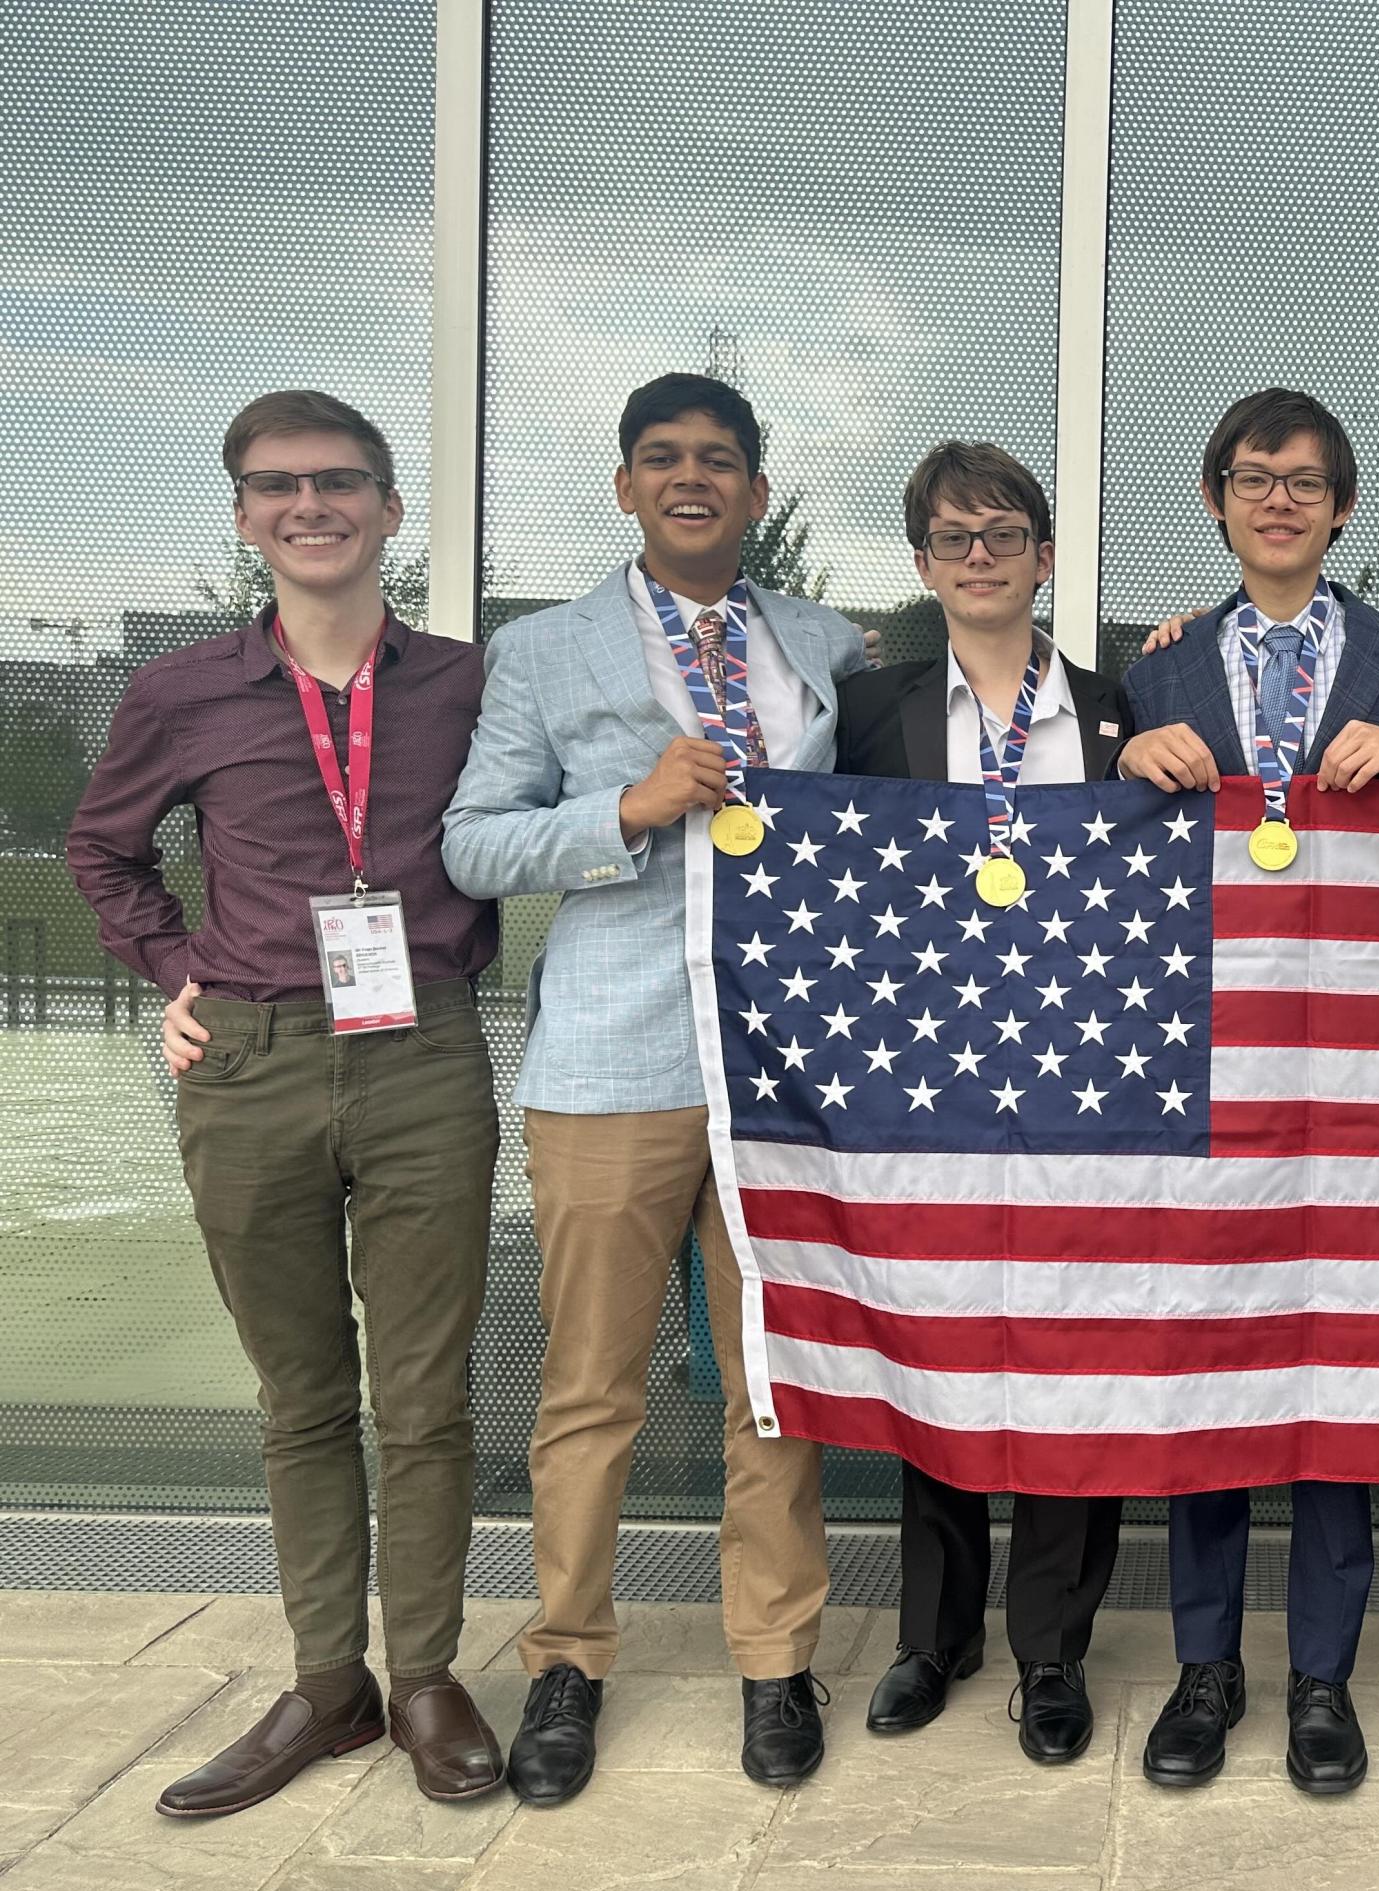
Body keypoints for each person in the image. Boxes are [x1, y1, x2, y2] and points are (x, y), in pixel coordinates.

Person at [67, 390, 505, 1813]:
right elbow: (103, 848)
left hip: (424, 1056)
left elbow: (514, 830)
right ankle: (331, 1682)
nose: (307, 506)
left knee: (426, 1393)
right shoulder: (181, 691)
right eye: (275, 486)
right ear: (245, 514)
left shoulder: (462, 681)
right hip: (248, 1065)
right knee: (302, 1395)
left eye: (336, 482)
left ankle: (428, 1671)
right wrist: (179, 969)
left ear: (388, 508)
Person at [442, 372, 868, 1802]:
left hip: (784, 1076)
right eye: (665, 459)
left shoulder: (827, 645)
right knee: (590, 1389)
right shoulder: (545, 652)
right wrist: (622, 809)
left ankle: (775, 1658)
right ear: (625, 486)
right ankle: (567, 1659)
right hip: (611, 1062)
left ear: (758, 492)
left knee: (776, 1389)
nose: (695, 479)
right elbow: (472, 848)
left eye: (723, 461)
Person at [1119, 386, 1379, 1796]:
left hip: (1360, 1083)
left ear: (1341, 508)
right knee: (1212, 1372)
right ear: (1216, 498)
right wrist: (1127, 761)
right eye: (1255, 477)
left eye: (1308, 481)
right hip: (1205, 1078)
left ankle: (1324, 1674)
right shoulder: (1150, 669)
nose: (1280, 499)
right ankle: (1209, 1667)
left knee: (1336, 1382)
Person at [832, 442, 1135, 1765]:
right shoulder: (868, 715)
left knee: (1077, 1368)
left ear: (1045, 554)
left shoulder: (1125, 716)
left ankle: (1053, 1647)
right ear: (921, 563)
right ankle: (934, 1631)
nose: (978, 555)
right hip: (920, 1078)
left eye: (1003, 533)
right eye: (953, 537)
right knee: (937, 1351)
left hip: (1089, 1080)